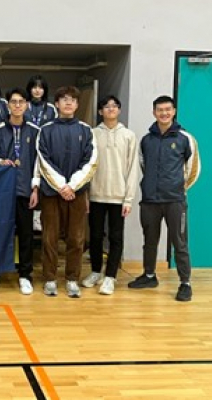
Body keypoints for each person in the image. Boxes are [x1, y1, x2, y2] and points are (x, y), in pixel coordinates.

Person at [128, 95, 200, 302]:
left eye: (168, 109)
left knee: (180, 242)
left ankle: (185, 283)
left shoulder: (185, 138)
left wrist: (179, 188)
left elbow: (193, 168)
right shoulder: (146, 140)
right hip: (150, 200)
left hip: (175, 201)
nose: (164, 113)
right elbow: (143, 165)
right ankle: (149, 275)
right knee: (150, 240)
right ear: (154, 112)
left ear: (174, 111)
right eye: (160, 110)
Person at [35, 85, 97, 298]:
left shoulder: (86, 130)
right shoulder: (45, 130)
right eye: (64, 99)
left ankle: (72, 279)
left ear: (77, 105)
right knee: (49, 238)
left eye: (72, 99)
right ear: (57, 104)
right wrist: (62, 186)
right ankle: (50, 279)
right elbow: (43, 160)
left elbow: (91, 161)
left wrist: (73, 185)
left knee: (76, 239)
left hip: (77, 193)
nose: (68, 102)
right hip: (51, 193)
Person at [81, 95, 139, 295]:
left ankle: (110, 276)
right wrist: (86, 195)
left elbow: (132, 168)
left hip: (119, 196)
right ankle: (96, 271)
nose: (111, 109)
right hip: (96, 195)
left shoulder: (129, 135)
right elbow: (86, 166)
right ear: (100, 111)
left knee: (116, 237)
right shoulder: (92, 134)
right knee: (95, 236)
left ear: (119, 110)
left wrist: (128, 199)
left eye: (114, 106)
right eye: (106, 106)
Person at [0, 88, 40, 295]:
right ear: (8, 105)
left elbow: (39, 162)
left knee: (26, 234)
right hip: (2, 192)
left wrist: (35, 187)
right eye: (13, 101)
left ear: (27, 105)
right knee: (0, 234)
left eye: (21, 101)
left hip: (25, 190)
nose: (17, 105)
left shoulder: (35, 131)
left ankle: (25, 275)